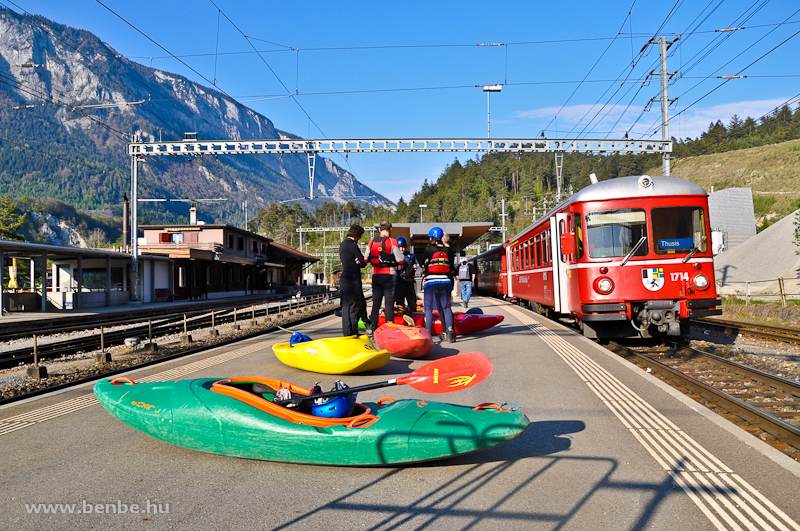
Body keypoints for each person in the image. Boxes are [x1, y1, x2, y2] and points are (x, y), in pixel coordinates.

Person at [365, 220, 405, 333]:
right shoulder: (393, 242)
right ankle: (389, 331)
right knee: (389, 304)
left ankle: (373, 329)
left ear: (379, 229)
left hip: (376, 276)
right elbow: (401, 260)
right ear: (391, 229)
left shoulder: (371, 242)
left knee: (376, 304)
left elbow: (365, 259)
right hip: (389, 276)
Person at [422, 226, 456, 343]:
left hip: (431, 282)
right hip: (445, 281)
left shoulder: (428, 250)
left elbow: (422, 262)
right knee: (446, 307)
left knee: (428, 308)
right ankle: (450, 333)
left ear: (432, 238)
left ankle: (428, 333)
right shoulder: (449, 251)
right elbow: (451, 266)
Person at [338, 224, 368, 337]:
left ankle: (347, 333)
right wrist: (359, 261)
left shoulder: (342, 244)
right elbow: (363, 262)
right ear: (357, 235)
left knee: (345, 306)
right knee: (354, 306)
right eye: (360, 236)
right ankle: (354, 332)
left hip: (344, 279)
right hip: (353, 279)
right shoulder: (353, 245)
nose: (360, 238)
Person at [395, 236, 418, 319]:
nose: (402, 249)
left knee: (412, 303)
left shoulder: (411, 255)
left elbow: (417, 264)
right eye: (400, 247)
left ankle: (413, 317)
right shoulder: (394, 256)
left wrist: (415, 267)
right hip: (399, 283)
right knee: (399, 304)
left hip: (409, 282)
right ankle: (400, 319)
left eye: (403, 247)